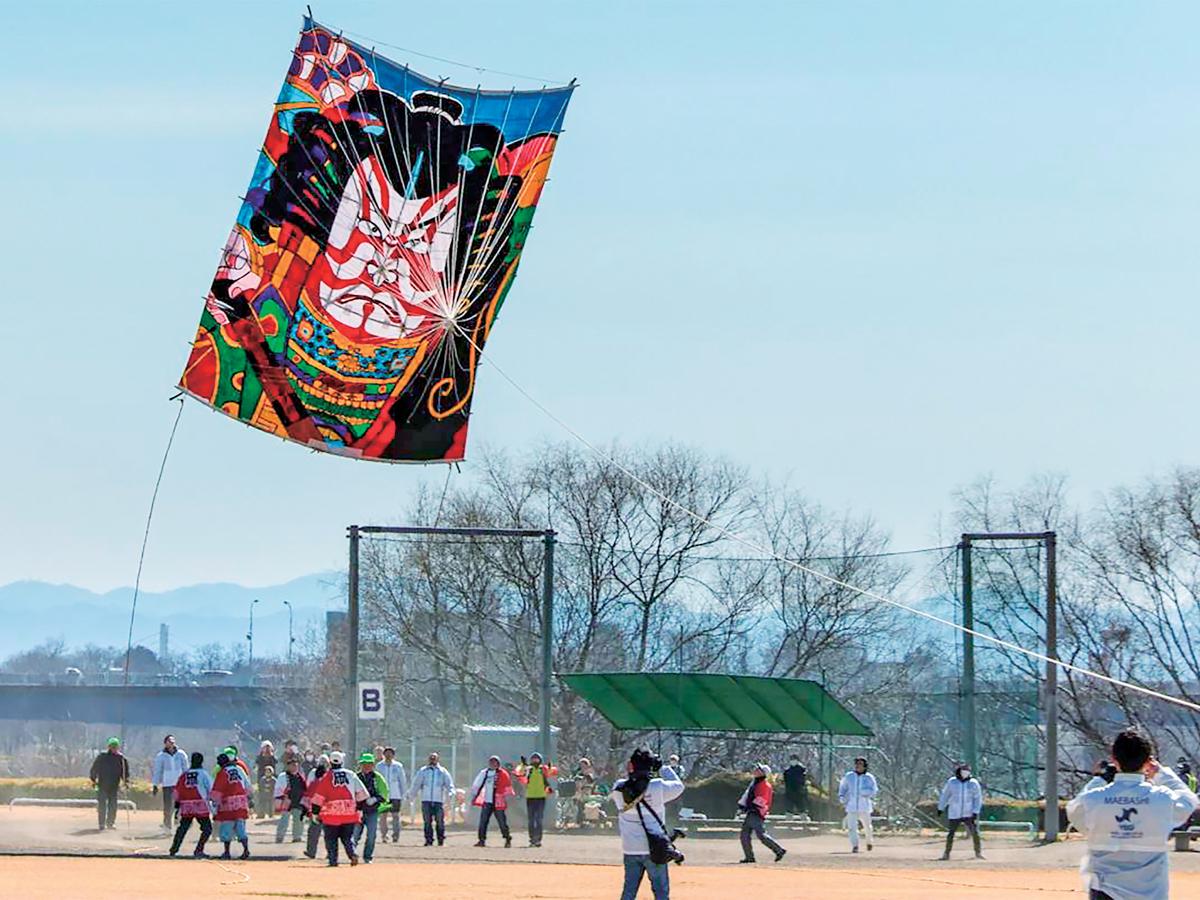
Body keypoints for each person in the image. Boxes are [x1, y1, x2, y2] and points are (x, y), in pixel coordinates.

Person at [1068, 729, 1199, 900]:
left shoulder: (1094, 799)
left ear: (1114, 760)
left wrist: (1100, 779)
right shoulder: (1162, 798)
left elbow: (1074, 811)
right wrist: (1161, 774)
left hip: (1105, 889)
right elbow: (1188, 801)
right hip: (1151, 892)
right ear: (1147, 761)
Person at [612, 748, 684, 900]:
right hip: (655, 847)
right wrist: (663, 768)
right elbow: (679, 786)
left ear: (631, 765)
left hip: (630, 848)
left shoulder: (618, 788)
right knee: (661, 893)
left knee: (629, 892)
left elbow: (630, 781)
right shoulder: (657, 786)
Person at [309, 751, 369, 867]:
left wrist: (315, 813)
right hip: (349, 813)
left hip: (331, 814)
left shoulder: (326, 777)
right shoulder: (351, 774)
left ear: (330, 762)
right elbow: (362, 794)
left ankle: (333, 861)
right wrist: (359, 809)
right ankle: (352, 854)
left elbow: (319, 797)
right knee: (347, 837)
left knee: (331, 838)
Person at [738, 763, 787, 863]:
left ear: (762, 773)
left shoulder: (764, 785)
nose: (755, 770)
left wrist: (749, 807)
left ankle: (778, 850)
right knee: (749, 835)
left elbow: (761, 800)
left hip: (756, 813)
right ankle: (776, 851)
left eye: (758, 769)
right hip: (754, 812)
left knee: (757, 835)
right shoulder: (756, 783)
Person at [169, 752, 213, 858]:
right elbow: (211, 789)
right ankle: (199, 850)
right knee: (207, 829)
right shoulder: (203, 774)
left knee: (183, 828)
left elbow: (177, 792)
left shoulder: (184, 775)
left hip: (186, 806)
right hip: (200, 804)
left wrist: (177, 807)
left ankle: (174, 849)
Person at [210, 751, 252, 859]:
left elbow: (217, 791)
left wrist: (214, 806)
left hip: (227, 803)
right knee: (240, 826)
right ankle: (246, 850)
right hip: (241, 802)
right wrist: (249, 798)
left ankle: (227, 852)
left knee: (227, 827)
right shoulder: (239, 769)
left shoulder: (223, 773)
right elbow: (247, 785)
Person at [938, 763, 984, 860]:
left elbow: (978, 798)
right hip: (955, 812)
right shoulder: (952, 782)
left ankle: (978, 853)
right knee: (951, 833)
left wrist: (976, 811)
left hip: (968, 813)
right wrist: (940, 808)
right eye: (964, 770)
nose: (966, 772)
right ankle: (946, 854)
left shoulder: (973, 783)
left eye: (968, 770)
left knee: (975, 833)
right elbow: (945, 795)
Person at [409, 751, 454, 847]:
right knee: (427, 822)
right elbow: (416, 784)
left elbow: (449, 784)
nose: (432, 760)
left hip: (438, 801)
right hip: (426, 800)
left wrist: (450, 793)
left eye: (434, 758)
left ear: (437, 759)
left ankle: (441, 840)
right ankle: (428, 840)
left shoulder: (442, 771)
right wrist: (412, 795)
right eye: (431, 758)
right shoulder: (423, 771)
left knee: (440, 822)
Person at [472, 755, 515, 847]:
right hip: (487, 802)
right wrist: (475, 794)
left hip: (498, 802)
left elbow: (507, 786)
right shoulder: (484, 773)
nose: (493, 764)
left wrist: (508, 798)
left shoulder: (503, 773)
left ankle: (507, 838)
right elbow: (477, 784)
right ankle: (481, 840)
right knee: (483, 821)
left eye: (495, 762)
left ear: (498, 763)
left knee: (502, 822)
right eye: (491, 762)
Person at [515, 751, 556, 847]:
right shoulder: (529, 769)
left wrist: (550, 765)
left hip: (541, 797)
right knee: (531, 819)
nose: (535, 760)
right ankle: (532, 838)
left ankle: (538, 839)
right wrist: (523, 764)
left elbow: (552, 772)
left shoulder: (543, 769)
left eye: (536, 759)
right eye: (533, 759)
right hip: (530, 797)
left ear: (540, 760)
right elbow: (519, 772)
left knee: (539, 819)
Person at [355, 752, 390, 863]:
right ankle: (352, 855)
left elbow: (384, 794)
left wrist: (375, 799)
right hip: (357, 811)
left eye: (369, 764)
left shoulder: (377, 778)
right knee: (354, 835)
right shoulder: (355, 777)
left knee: (371, 835)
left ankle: (367, 856)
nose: (366, 766)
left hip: (372, 811)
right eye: (364, 764)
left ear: (373, 765)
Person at [838, 757, 878, 853]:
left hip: (864, 806)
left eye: (860, 764)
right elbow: (843, 787)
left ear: (864, 766)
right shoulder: (849, 776)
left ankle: (869, 842)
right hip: (851, 806)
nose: (858, 766)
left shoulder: (869, 777)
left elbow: (874, 790)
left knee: (867, 826)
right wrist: (842, 797)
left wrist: (866, 792)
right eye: (857, 764)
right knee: (851, 827)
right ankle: (855, 845)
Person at [89, 737, 130, 831]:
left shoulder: (121, 759)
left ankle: (110, 823)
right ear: (109, 747)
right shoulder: (102, 757)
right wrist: (93, 779)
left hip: (114, 786)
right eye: (112, 746)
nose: (114, 748)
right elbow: (94, 769)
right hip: (102, 785)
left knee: (113, 805)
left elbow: (125, 773)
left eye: (115, 746)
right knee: (102, 805)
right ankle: (101, 824)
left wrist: (126, 782)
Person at [152, 734, 188, 831]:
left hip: (180, 784)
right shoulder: (161, 756)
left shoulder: (181, 754)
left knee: (180, 804)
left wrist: (187, 781)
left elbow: (185, 768)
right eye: (169, 742)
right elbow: (158, 771)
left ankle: (178, 821)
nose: (172, 744)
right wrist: (155, 784)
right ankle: (167, 825)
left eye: (173, 742)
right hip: (167, 784)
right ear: (165, 743)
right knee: (168, 806)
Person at [301, 754, 330, 859]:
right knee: (328, 833)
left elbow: (308, 794)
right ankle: (329, 853)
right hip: (326, 810)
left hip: (318, 810)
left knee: (315, 832)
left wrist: (306, 809)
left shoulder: (317, 782)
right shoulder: (329, 779)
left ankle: (312, 852)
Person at [377, 746, 408, 842]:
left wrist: (404, 794)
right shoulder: (379, 766)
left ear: (393, 755)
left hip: (395, 795)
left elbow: (402, 781)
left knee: (395, 816)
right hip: (383, 795)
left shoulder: (398, 766)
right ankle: (384, 835)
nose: (388, 755)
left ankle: (395, 835)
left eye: (390, 753)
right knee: (383, 816)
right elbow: (377, 780)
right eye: (386, 753)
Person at [274, 758, 308, 843]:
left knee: (299, 820)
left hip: (298, 801)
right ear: (288, 766)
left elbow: (305, 788)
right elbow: (278, 789)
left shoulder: (300, 776)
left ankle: (297, 837)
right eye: (293, 765)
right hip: (286, 801)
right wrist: (279, 800)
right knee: (284, 820)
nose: (295, 767)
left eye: (296, 765)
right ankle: (279, 837)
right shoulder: (283, 776)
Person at [255, 741, 277, 819]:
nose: (267, 749)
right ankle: (261, 813)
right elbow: (257, 762)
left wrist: (271, 755)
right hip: (261, 778)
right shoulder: (260, 757)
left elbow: (276, 762)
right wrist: (262, 754)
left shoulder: (273, 757)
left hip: (271, 779)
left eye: (268, 747)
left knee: (271, 798)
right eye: (265, 747)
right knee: (261, 797)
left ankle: (271, 813)